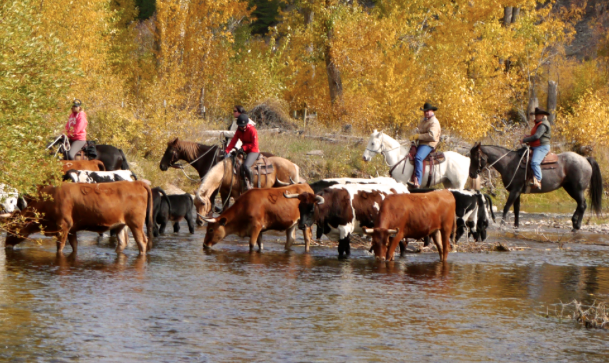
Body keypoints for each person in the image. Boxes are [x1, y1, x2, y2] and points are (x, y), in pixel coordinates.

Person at [408, 102, 441, 188]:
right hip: (421, 143)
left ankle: (418, 181)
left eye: (428, 111)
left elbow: (432, 136)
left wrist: (418, 136)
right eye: (425, 111)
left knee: (418, 157)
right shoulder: (423, 120)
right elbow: (419, 131)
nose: (426, 112)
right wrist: (414, 137)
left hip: (429, 144)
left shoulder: (434, 122)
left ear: (432, 111)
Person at [225, 113, 260, 190]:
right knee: (234, 162)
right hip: (244, 149)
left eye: (244, 126)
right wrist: (227, 151)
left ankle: (251, 184)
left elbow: (254, 144)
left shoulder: (252, 130)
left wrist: (244, 148)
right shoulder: (238, 130)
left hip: (253, 150)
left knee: (246, 166)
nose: (243, 127)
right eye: (241, 126)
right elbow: (233, 141)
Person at [521, 107, 551, 189]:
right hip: (535, 146)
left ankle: (538, 180)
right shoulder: (538, 124)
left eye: (537, 115)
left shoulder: (543, 124)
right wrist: (528, 136)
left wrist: (525, 140)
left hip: (542, 147)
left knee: (534, 162)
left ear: (542, 116)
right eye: (535, 115)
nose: (536, 117)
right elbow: (535, 135)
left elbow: (537, 136)